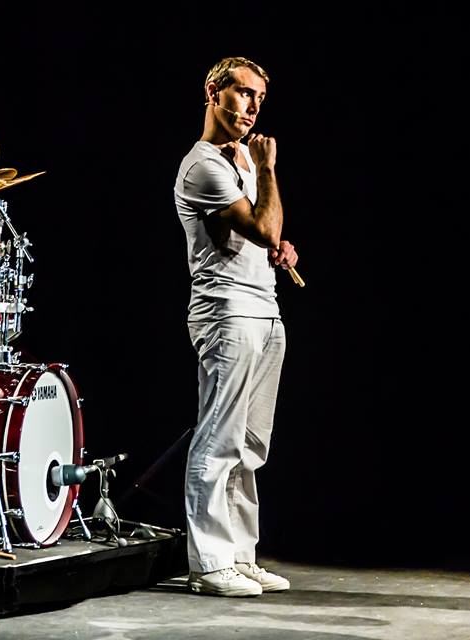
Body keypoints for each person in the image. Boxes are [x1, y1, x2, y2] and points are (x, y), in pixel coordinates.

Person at [173, 57, 298, 597]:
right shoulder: (203, 164)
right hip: (226, 312)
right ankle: (208, 562)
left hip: (265, 309)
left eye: (258, 99)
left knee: (250, 445)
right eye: (243, 94)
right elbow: (261, 225)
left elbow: (267, 234)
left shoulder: (241, 158)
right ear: (213, 92)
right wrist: (268, 170)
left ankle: (240, 555)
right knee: (218, 440)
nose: (250, 107)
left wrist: (277, 248)